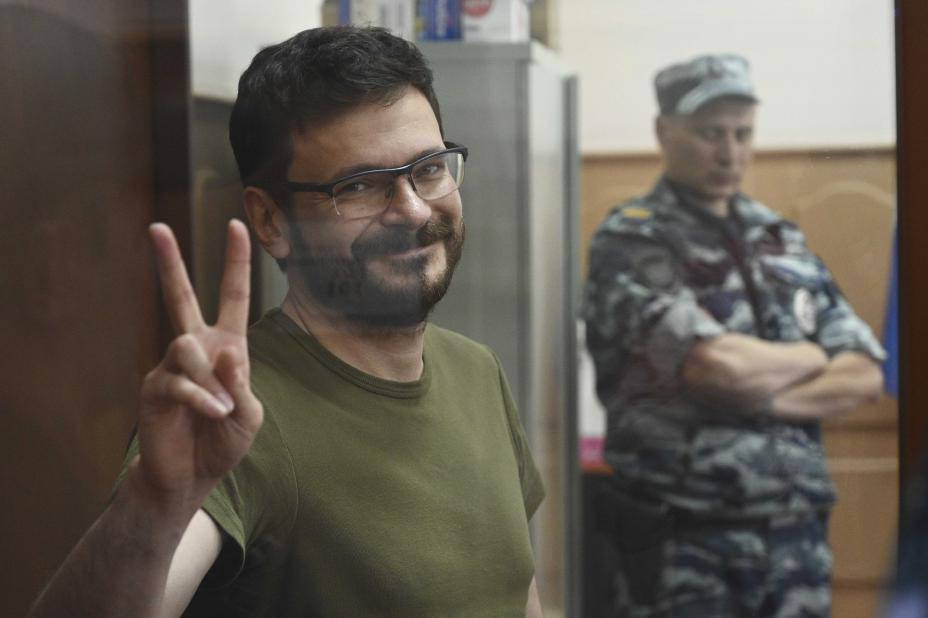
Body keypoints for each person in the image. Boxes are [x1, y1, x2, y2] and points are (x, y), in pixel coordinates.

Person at [30, 26, 545, 617]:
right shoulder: (235, 415)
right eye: (359, 186)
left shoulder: (477, 371)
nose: (411, 208)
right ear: (271, 221)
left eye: (428, 168)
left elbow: (518, 595)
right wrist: (153, 504)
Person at [582, 53, 885, 617]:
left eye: (742, 134)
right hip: (685, 540)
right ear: (664, 132)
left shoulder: (780, 239)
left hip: (796, 536)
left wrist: (763, 396)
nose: (729, 152)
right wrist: (813, 354)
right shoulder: (631, 242)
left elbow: (865, 373)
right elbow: (715, 367)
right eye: (710, 133)